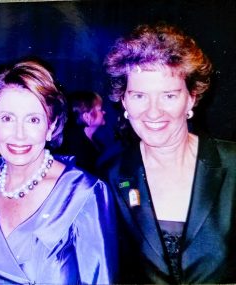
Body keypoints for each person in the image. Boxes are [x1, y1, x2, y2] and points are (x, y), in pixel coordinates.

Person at [103, 23, 236, 284]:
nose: (153, 112)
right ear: (124, 101)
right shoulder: (110, 175)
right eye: (139, 95)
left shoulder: (233, 163)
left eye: (169, 96)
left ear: (191, 98)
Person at [0, 60, 118, 284]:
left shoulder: (84, 194)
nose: (19, 135)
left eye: (33, 119)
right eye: (7, 118)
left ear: (51, 127)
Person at [60, 90, 123, 175]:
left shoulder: (95, 141)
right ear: (87, 117)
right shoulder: (75, 147)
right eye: (100, 109)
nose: (104, 112)